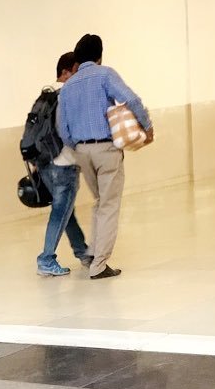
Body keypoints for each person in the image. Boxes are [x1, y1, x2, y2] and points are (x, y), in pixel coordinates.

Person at [58, 34, 154, 279]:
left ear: (78, 59)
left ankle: (92, 252)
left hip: (82, 150)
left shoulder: (67, 87)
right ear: (99, 56)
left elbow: (63, 128)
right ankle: (99, 265)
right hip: (106, 149)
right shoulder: (105, 74)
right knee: (109, 205)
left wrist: (78, 146)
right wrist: (147, 126)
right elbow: (131, 99)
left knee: (100, 201)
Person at [36, 51, 91, 276]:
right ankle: (46, 259)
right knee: (61, 211)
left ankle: (82, 252)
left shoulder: (46, 95)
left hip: (45, 163)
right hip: (64, 163)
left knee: (66, 210)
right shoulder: (67, 95)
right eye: (77, 71)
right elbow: (67, 131)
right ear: (66, 72)